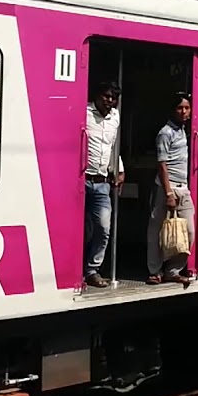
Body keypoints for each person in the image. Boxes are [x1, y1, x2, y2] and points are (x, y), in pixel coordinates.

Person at [148, 93, 195, 285]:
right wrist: (168, 193)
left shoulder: (184, 131)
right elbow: (162, 165)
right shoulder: (165, 133)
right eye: (179, 108)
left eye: (187, 108)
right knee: (157, 230)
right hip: (167, 188)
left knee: (190, 231)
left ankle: (173, 270)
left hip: (183, 189)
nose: (184, 112)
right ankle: (155, 271)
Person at [83, 81, 124, 288]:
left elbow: (113, 145)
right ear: (98, 95)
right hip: (81, 179)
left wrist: (120, 168)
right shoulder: (84, 112)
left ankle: (92, 270)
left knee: (103, 228)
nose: (109, 101)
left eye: (113, 97)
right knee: (82, 229)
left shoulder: (115, 117)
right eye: (106, 96)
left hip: (102, 183)